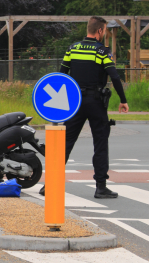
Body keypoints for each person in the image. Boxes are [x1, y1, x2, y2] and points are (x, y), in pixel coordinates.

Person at [39, 16, 129, 199]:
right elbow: (115, 76)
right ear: (100, 31)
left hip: (75, 102)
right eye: (104, 31)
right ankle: (101, 187)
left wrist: (58, 103)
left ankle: (49, 185)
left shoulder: (73, 49)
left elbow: (61, 75)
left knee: (65, 143)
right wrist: (123, 100)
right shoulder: (102, 51)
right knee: (100, 144)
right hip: (96, 102)